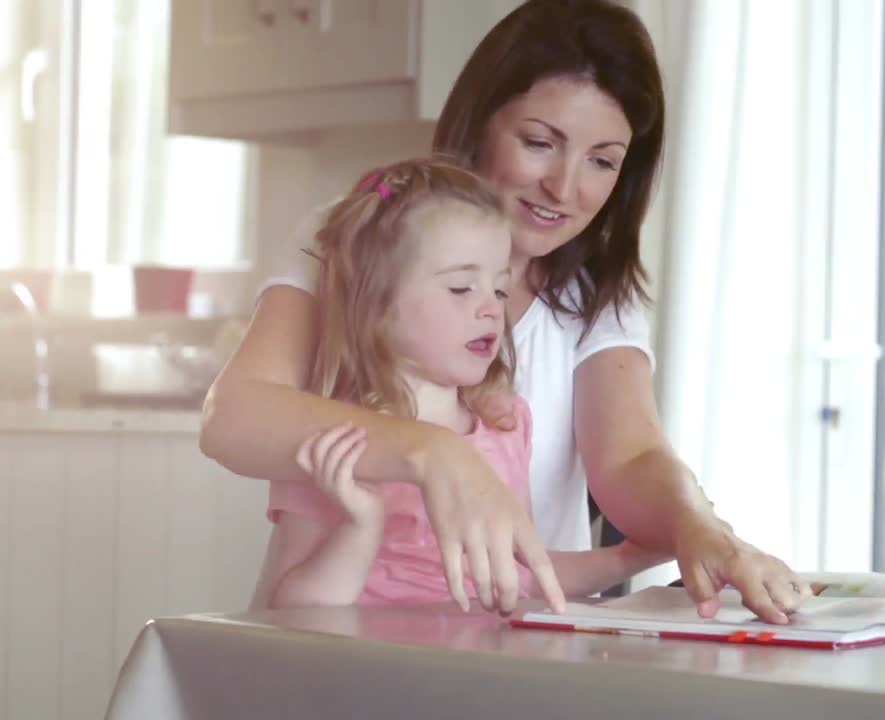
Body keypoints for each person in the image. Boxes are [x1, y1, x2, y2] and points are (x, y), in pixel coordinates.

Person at [202, 0, 809, 623]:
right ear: (478, 123)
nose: (564, 188)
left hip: (518, 650)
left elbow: (630, 458)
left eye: (602, 160)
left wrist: (699, 525)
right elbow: (235, 418)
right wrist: (433, 452)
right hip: (331, 649)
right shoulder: (358, 238)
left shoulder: (595, 292)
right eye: (540, 143)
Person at [254, 159, 667, 609]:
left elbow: (524, 574)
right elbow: (290, 607)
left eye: (500, 290)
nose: (492, 309)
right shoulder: (335, 434)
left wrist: (634, 556)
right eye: (461, 288)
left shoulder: (505, 423)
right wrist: (361, 528)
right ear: (376, 301)